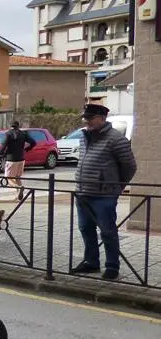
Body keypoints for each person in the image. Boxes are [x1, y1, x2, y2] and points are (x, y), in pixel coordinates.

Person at [70, 103, 137, 280]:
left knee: (107, 231)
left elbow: (129, 166)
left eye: (91, 119)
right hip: (83, 192)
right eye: (86, 118)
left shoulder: (116, 139)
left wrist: (116, 187)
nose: (87, 122)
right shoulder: (85, 137)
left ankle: (112, 266)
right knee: (86, 229)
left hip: (104, 195)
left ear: (102, 118)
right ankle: (91, 262)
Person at [0, 121, 36, 201]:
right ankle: (19, 196)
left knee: (8, 178)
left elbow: (3, 145)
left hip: (11, 159)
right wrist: (27, 149)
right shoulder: (23, 134)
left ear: (11, 126)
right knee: (17, 177)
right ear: (18, 126)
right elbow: (33, 142)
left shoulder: (8, 134)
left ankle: (18, 188)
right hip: (21, 159)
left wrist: (0, 154)